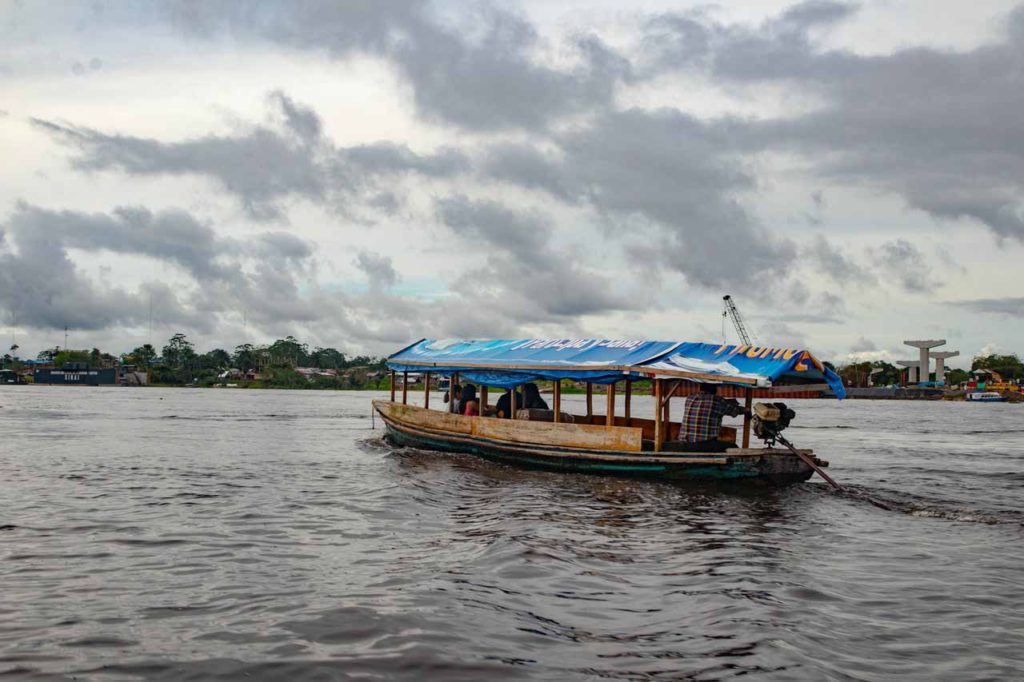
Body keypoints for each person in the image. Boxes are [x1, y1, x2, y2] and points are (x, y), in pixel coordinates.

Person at [679, 384, 747, 452]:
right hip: (703, 445)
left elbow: (708, 403)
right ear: (715, 389)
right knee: (733, 447)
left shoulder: (690, 398)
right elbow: (735, 410)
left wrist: (727, 401)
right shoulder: (717, 400)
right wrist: (747, 410)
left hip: (684, 445)